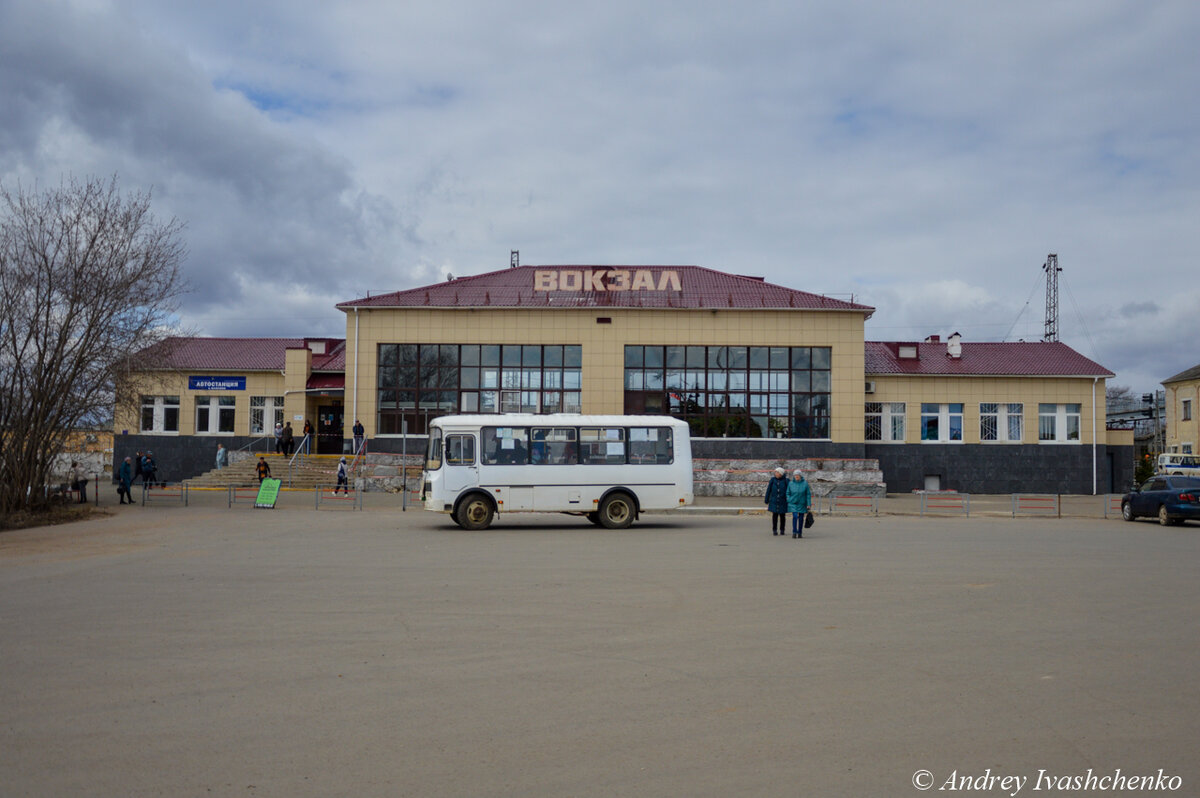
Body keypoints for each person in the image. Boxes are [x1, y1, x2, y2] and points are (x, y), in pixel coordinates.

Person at [787, 469, 812, 539]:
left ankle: (800, 532)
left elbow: (808, 494)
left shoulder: (805, 483)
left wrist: (809, 504)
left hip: (802, 503)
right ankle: (794, 532)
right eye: (795, 475)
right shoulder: (791, 483)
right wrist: (789, 499)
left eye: (797, 475)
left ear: (800, 476)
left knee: (801, 518)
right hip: (793, 502)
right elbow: (787, 493)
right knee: (795, 516)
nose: (796, 477)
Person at [764, 466, 789, 536]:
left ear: (781, 473)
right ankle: (774, 530)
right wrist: (766, 499)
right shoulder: (772, 480)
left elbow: (789, 491)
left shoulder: (786, 481)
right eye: (775, 472)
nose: (775, 473)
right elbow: (768, 490)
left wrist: (789, 499)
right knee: (774, 516)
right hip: (774, 500)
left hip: (783, 501)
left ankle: (782, 530)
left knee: (782, 516)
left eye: (777, 472)